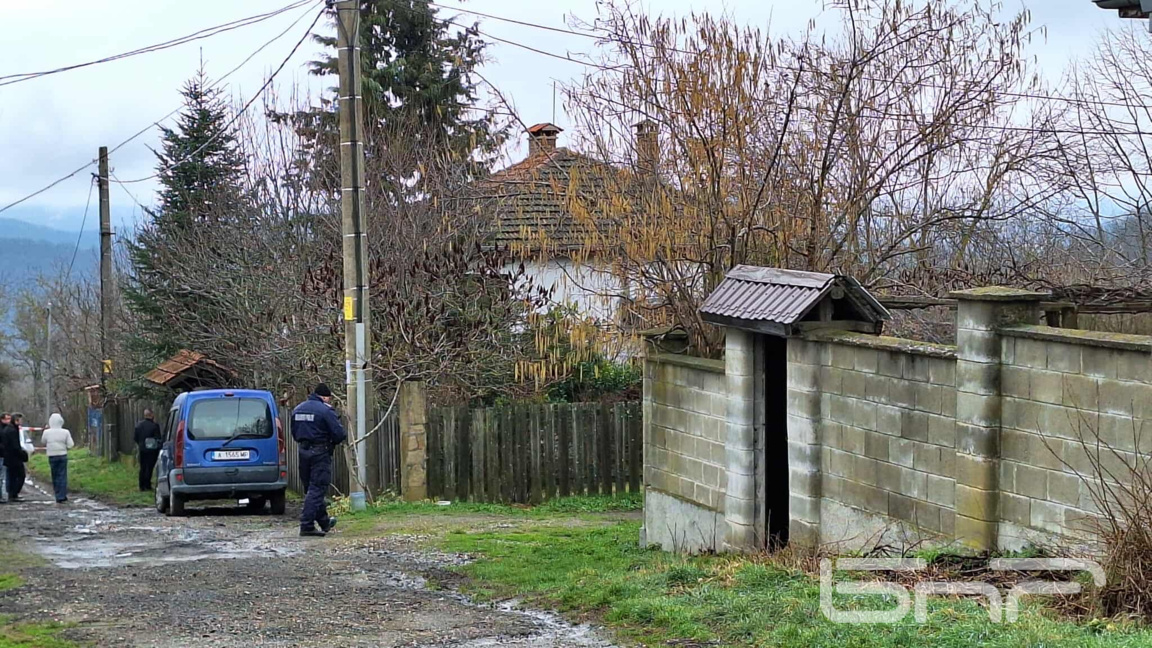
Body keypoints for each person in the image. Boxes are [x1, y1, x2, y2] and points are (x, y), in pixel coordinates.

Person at [291, 383, 346, 538]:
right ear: (325, 397)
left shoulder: (298, 409)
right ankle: (306, 525)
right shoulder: (325, 411)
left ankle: (324, 522)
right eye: (329, 398)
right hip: (320, 452)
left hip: (303, 451)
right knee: (317, 488)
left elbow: (294, 433)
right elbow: (339, 434)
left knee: (311, 489)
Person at [41, 413, 75, 503]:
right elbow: (71, 445)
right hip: (62, 455)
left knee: (54, 475)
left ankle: (57, 494)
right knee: (62, 476)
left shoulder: (47, 432)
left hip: (52, 456)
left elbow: (43, 441)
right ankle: (62, 495)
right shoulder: (65, 432)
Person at [134, 409, 162, 491]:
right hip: (152, 450)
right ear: (151, 415)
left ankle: (141, 485)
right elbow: (158, 438)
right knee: (149, 467)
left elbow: (135, 437)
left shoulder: (139, 425)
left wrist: (140, 444)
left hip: (142, 449)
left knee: (142, 467)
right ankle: (147, 484)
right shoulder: (155, 426)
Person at [2, 412, 27, 501]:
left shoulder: (8, 429)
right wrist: (23, 454)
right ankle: (14, 494)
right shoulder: (12, 430)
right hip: (14, 457)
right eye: (20, 420)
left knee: (12, 476)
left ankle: (11, 494)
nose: (22, 421)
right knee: (21, 475)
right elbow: (15, 445)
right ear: (16, 420)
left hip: (8, 457)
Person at [0, 413, 9, 504]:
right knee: (1, 477)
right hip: (1, 455)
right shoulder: (3, 430)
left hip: (3, 455)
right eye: (7, 419)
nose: (8, 421)